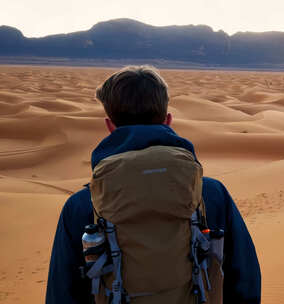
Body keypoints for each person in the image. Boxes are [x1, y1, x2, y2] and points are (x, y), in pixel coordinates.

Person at [45, 65, 261, 304]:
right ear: (167, 121)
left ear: (110, 126)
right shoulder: (210, 193)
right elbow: (245, 281)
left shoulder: (81, 205)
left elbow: (62, 294)